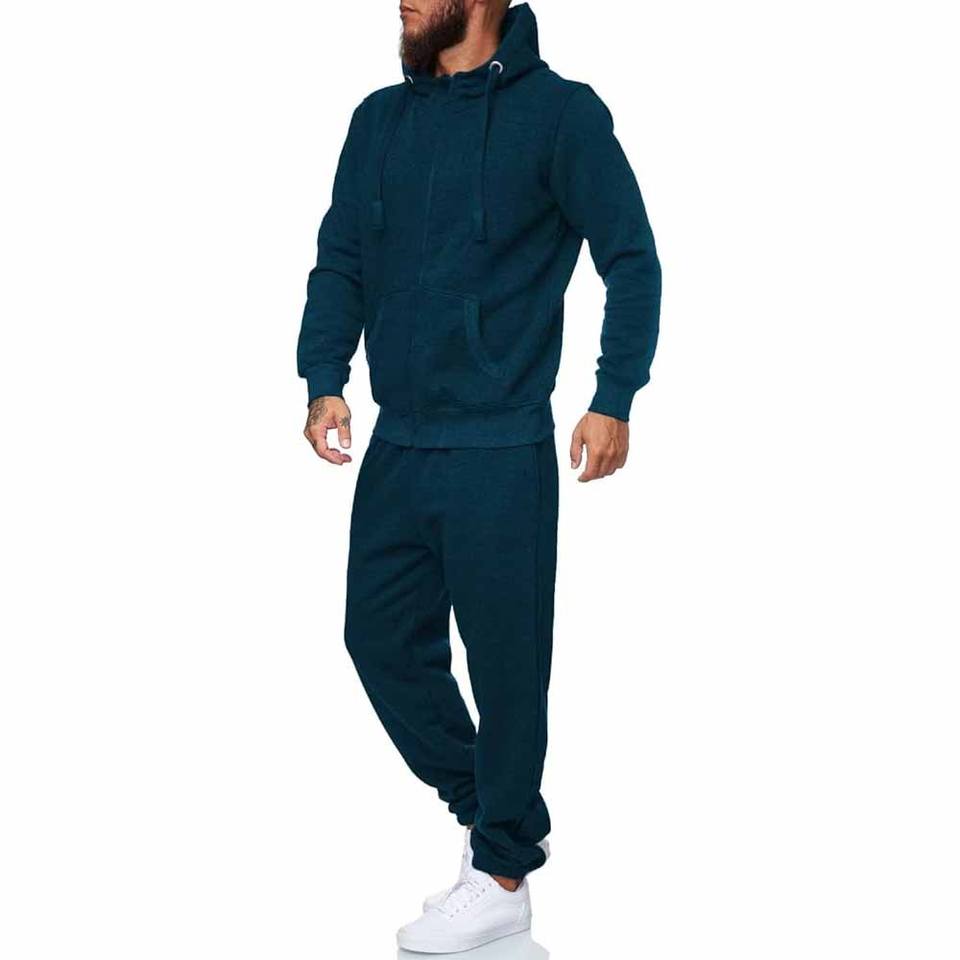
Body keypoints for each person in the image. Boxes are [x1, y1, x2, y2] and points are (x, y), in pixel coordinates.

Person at [297, 1, 660, 952]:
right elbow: (340, 259)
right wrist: (324, 377)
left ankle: (501, 872)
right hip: (398, 444)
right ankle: (495, 815)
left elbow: (632, 259)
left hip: (500, 449)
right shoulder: (379, 119)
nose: (402, 1)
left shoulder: (562, 116)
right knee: (378, 640)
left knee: (507, 670)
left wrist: (614, 395)